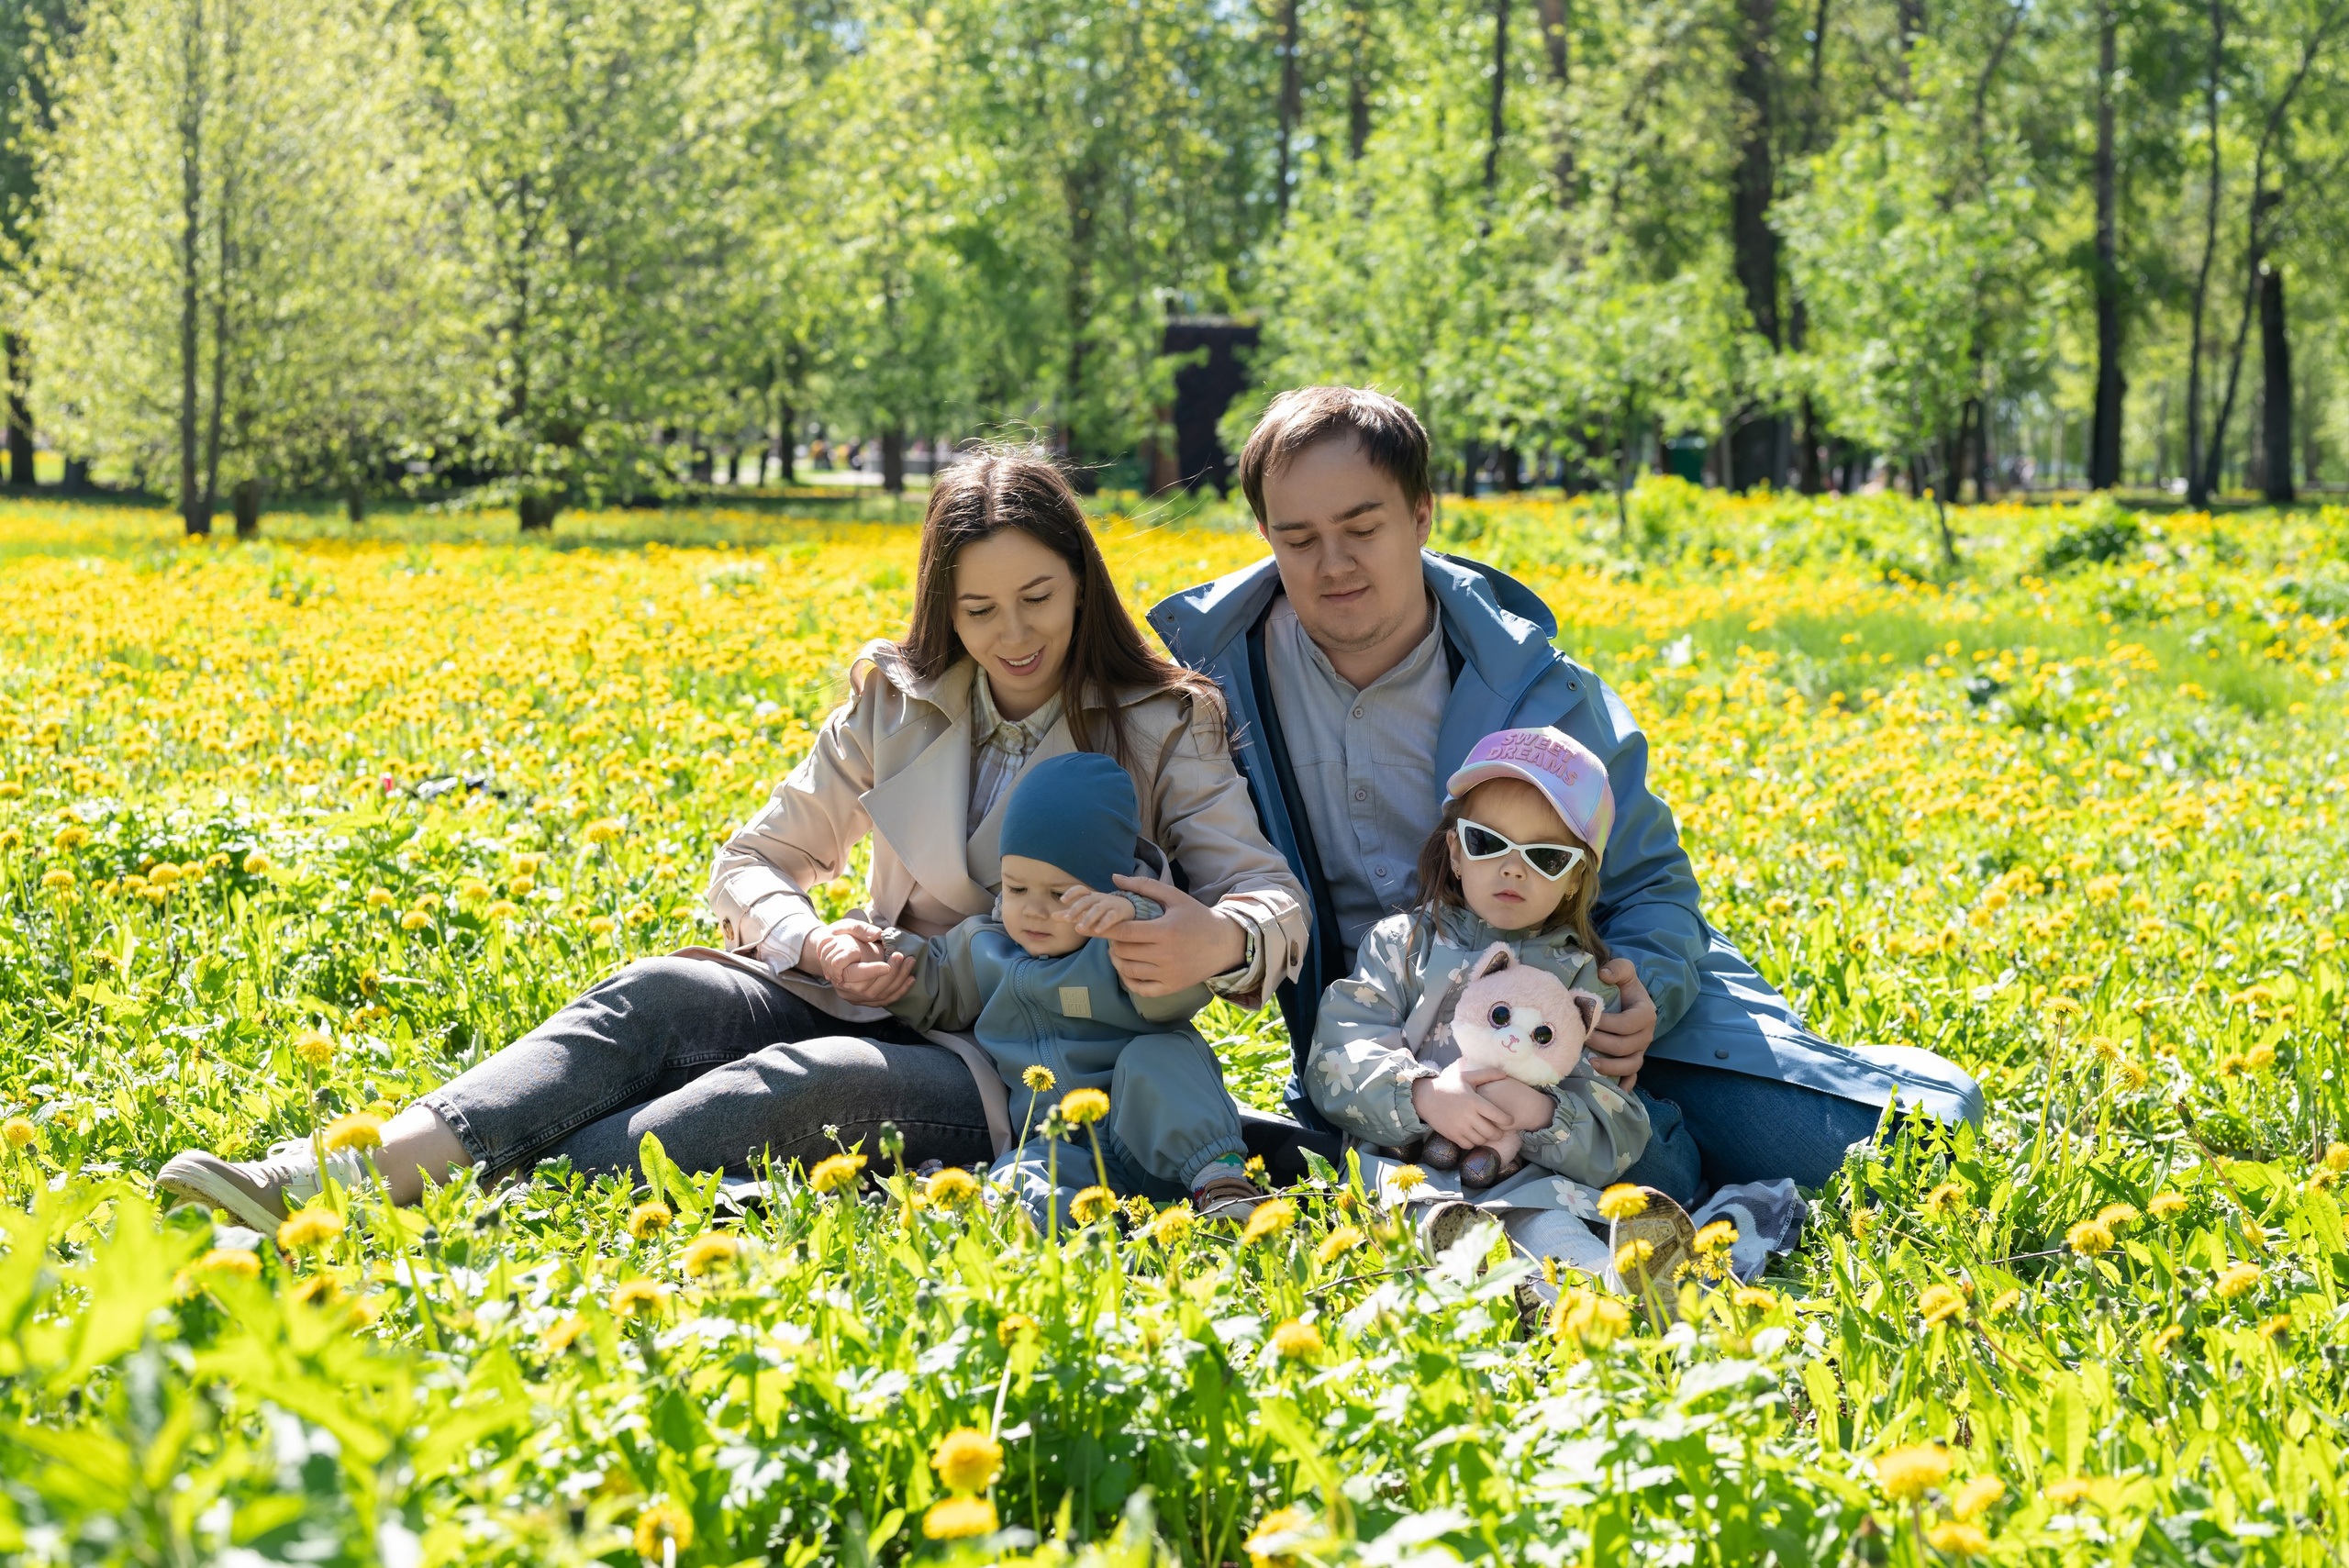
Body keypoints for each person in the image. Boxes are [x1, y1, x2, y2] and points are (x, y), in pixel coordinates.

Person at [157, 449, 1307, 1229]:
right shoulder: (895, 698)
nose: (1011, 633)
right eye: (978, 607)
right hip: (866, 989)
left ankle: (482, 1201)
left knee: (782, 1089)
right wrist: (813, 945)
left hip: (1019, 1057)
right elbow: (753, 861)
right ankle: (320, 1174)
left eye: (1039, 597)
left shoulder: (1164, 722)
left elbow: (1267, 897)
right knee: (649, 997)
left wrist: (1217, 941)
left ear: (1082, 582)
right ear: (942, 603)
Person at [1148, 387, 1982, 1197]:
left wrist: (1641, 994)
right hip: (1396, 1032)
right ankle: (1615, 1153)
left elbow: (1651, 883)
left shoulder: (1536, 687)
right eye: (1298, 539)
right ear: (1263, 535)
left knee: (1860, 1154)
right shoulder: (1214, 686)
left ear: (1423, 515)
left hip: (1578, 1003)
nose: (1335, 565)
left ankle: (1730, 1114)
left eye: (1363, 527)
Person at [1308, 725, 1648, 1276]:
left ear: (1574, 880)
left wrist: (1541, 1111)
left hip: (1527, 1180)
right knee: (1426, 1220)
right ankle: (1478, 1273)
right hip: (1404, 1167)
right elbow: (1334, 1058)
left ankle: (1602, 1290)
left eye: (1545, 856)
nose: (1512, 868)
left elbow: (1620, 1126)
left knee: (1549, 1228)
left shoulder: (1582, 982)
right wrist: (1421, 1094)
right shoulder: (1404, 945)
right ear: (1456, 852)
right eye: (1488, 844)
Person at [874, 752, 1265, 1227]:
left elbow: (1174, 994)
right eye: (1016, 889)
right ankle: (1007, 1218)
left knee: (1161, 1058)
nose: (1034, 911)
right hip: (1062, 1140)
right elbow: (936, 987)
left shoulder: (1121, 950)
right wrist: (883, 962)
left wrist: (1134, 923)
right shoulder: (986, 946)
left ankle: (1224, 1190)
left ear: (1106, 891)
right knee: (1026, 1172)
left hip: (1151, 1133)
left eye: (1060, 895)